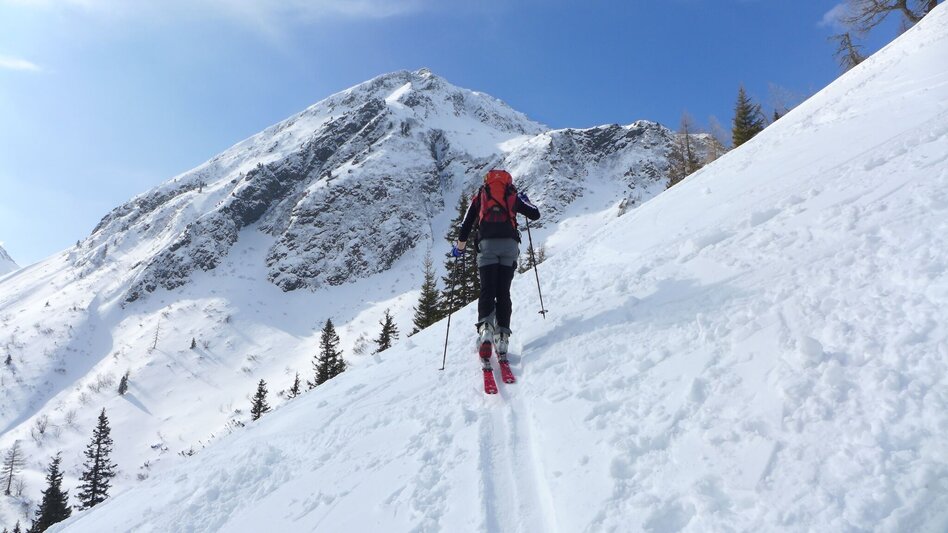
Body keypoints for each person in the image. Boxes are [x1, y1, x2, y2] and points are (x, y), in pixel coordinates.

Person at [452, 169, 540, 367]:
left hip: (487, 247)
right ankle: (502, 340)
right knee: (503, 292)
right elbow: (535, 214)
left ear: (487, 182)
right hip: (509, 247)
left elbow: (466, 225)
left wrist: (459, 248)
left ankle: (485, 332)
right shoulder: (513, 196)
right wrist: (526, 201)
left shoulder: (481, 196)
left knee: (487, 291)